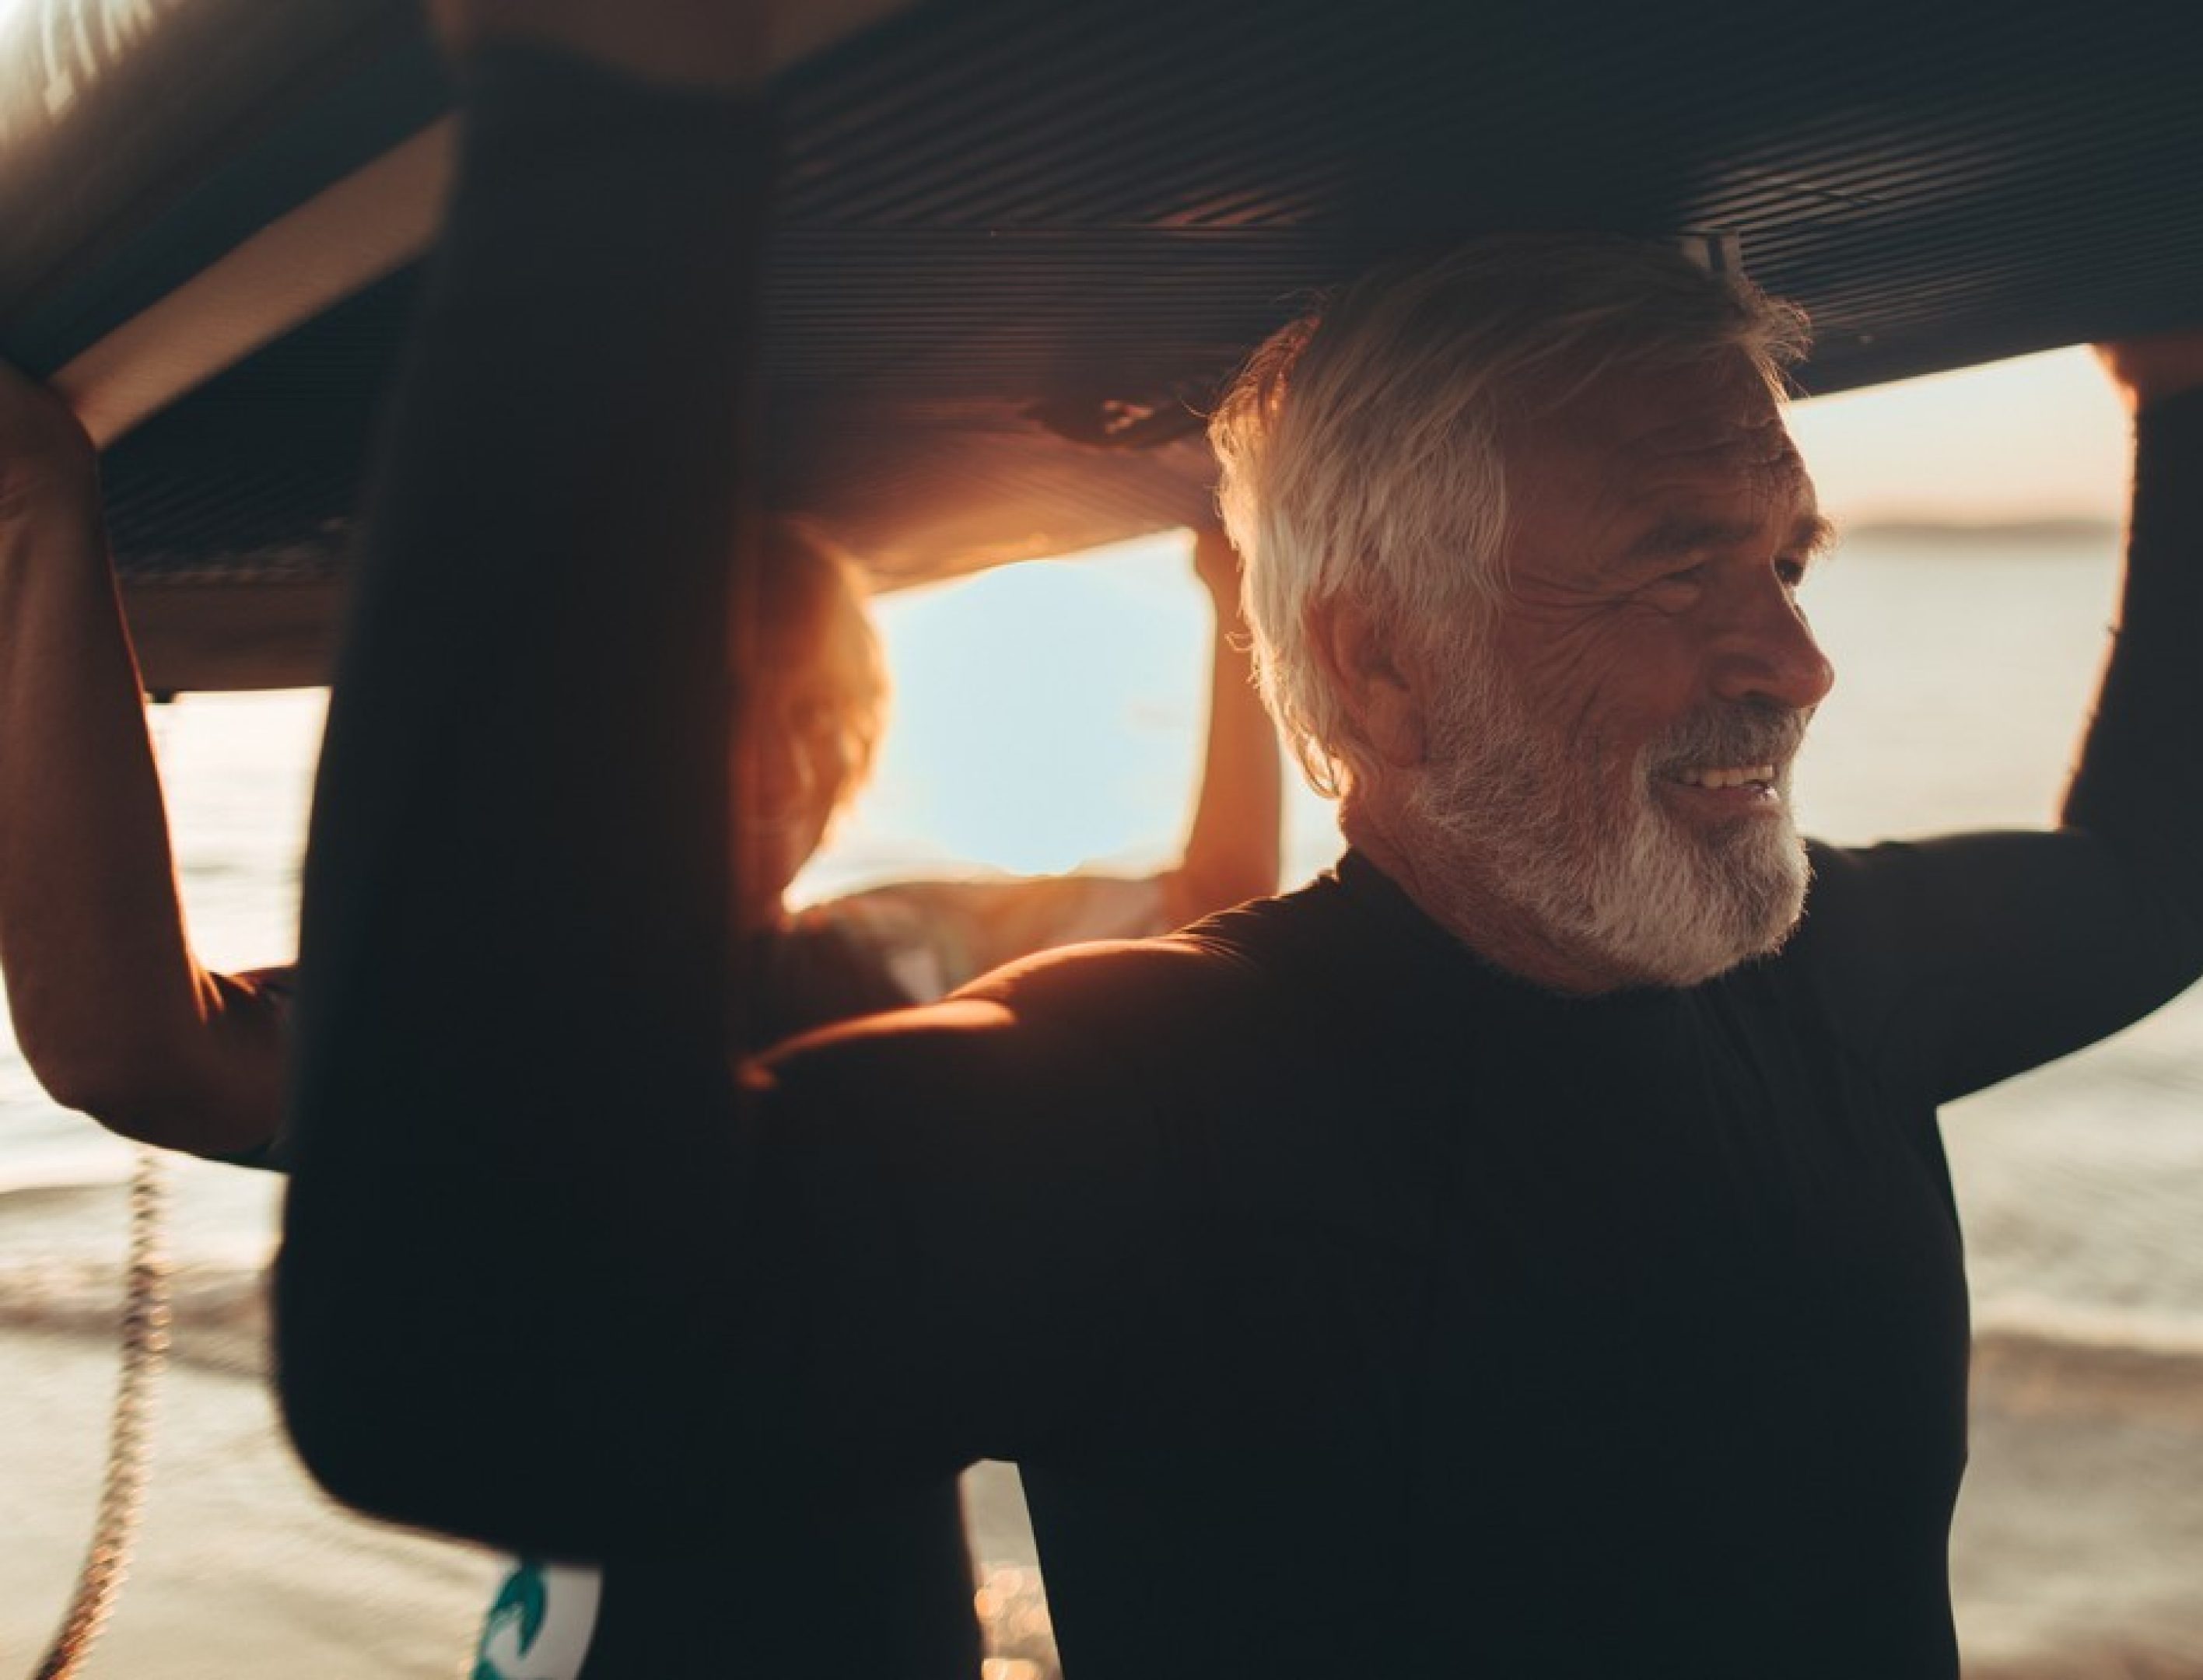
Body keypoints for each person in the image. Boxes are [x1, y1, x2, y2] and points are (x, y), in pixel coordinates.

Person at [276, 9, 2203, 1677]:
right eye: (1683, 570)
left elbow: (2159, 892)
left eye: (1785, 556)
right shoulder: (1156, 1094)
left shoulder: (1830, 973)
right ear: (1378, 661)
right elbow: (479, 1359)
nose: (1798, 659)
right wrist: (616, 130)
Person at [0, 345, 1280, 1671]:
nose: (791, 763)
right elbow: (134, 1052)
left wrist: (1231, 583)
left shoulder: (908, 950)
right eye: (728, 704)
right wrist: (44, 515)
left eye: (828, 707)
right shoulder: (515, 1007)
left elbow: (1215, 913)